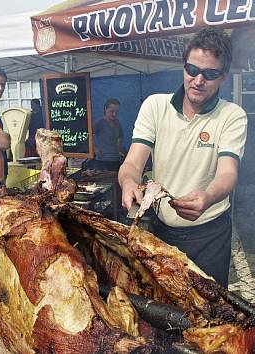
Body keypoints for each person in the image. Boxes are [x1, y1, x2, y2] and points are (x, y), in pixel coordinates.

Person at [118, 28, 246, 287]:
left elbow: (228, 173)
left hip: (209, 234)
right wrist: (129, 182)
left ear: (223, 77)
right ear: (183, 67)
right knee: (162, 303)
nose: (198, 80)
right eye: (192, 70)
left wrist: (207, 197)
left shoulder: (232, 115)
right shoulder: (155, 106)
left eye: (209, 74)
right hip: (161, 230)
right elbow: (133, 162)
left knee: (208, 310)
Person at [93, 98, 124, 171]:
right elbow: (87, 135)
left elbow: (121, 136)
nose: (114, 114)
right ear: (105, 109)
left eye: (116, 112)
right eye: (111, 111)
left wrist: (119, 149)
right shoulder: (99, 123)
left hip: (115, 161)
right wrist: (94, 148)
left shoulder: (117, 123)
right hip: (102, 162)